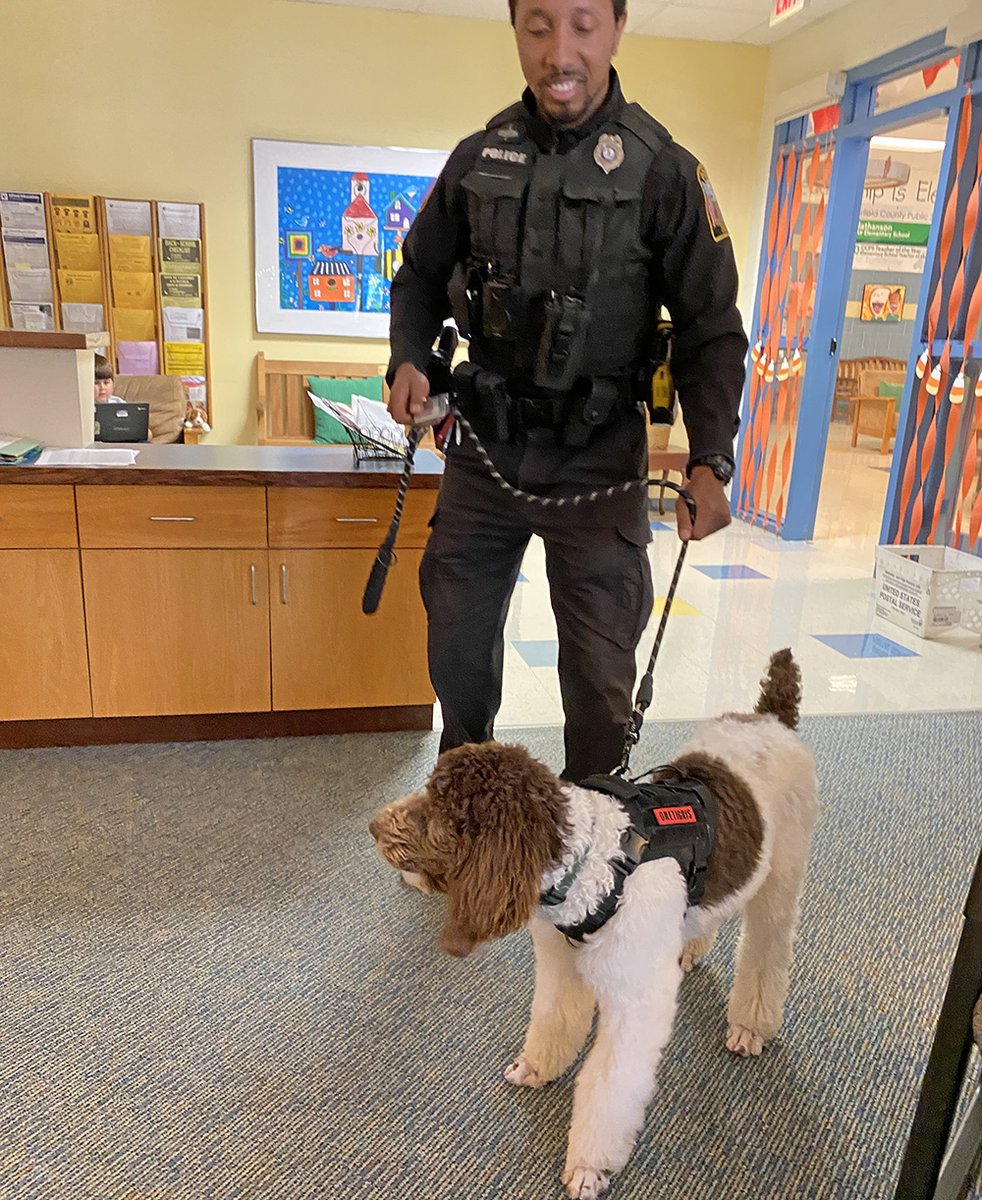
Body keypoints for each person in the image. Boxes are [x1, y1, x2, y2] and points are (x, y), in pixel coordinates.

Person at [387, 0, 747, 783]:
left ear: (618, 26)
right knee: (457, 648)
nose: (560, 53)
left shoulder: (664, 172)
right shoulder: (477, 159)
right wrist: (407, 359)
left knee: (600, 681)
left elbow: (711, 329)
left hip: (598, 458)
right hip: (486, 450)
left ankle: (594, 824)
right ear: (515, 29)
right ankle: (472, 810)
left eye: (583, 24)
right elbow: (417, 276)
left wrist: (711, 459)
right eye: (539, 26)